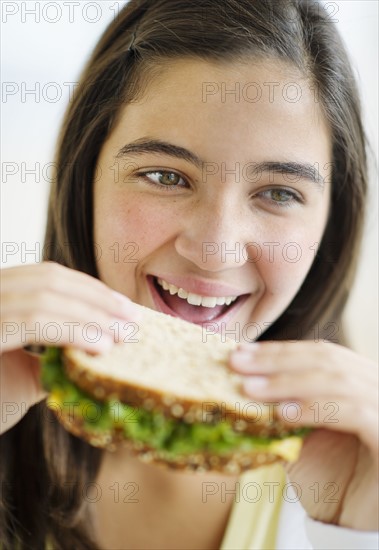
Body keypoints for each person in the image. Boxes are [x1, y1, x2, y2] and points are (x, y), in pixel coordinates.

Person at [0, 0, 378, 548]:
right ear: (86, 183)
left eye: (278, 193)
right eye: (164, 175)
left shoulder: (358, 478)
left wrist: (354, 536)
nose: (215, 251)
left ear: (331, 224)